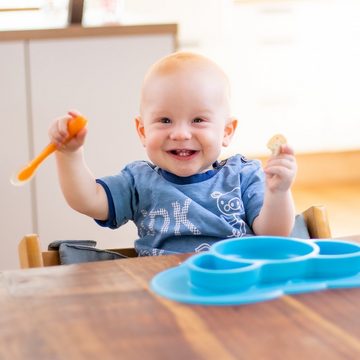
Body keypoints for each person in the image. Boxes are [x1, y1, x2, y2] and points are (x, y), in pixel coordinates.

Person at [49, 51, 297, 256]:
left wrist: (278, 192)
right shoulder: (139, 181)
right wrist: (70, 155)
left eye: (198, 120)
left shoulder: (242, 175)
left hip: (235, 287)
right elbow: (88, 200)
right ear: (142, 131)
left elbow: (274, 236)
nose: (180, 134)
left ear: (226, 131)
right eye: (165, 120)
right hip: (163, 296)